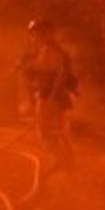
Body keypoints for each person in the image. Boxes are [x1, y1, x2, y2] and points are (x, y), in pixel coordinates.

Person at [20, 18, 76, 169]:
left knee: (45, 132)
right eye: (33, 34)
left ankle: (59, 161)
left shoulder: (52, 52)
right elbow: (43, 69)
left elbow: (59, 77)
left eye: (38, 33)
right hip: (54, 97)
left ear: (47, 33)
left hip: (51, 97)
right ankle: (69, 162)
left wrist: (50, 99)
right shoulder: (47, 51)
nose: (34, 37)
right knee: (61, 131)